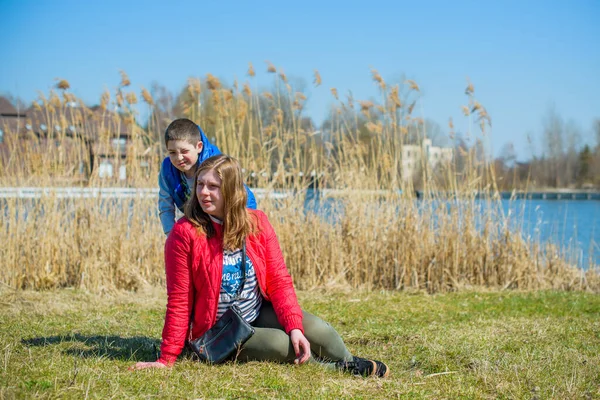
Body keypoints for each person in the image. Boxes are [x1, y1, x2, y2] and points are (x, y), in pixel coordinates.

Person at [133, 155, 389, 378]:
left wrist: (295, 326)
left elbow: (279, 279)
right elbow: (179, 299)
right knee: (282, 345)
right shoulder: (184, 233)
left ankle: (350, 362)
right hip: (217, 330)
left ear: (232, 190)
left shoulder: (257, 223)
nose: (203, 193)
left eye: (213, 186)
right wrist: (166, 358)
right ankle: (335, 371)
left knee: (316, 329)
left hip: (254, 310)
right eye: (200, 184)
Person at [158, 118, 257, 235]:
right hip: (198, 220)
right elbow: (166, 206)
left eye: (184, 151)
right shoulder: (167, 169)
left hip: (226, 222)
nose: (179, 158)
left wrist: (244, 230)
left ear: (199, 147)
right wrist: (172, 237)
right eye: (172, 152)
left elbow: (242, 197)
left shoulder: (215, 165)